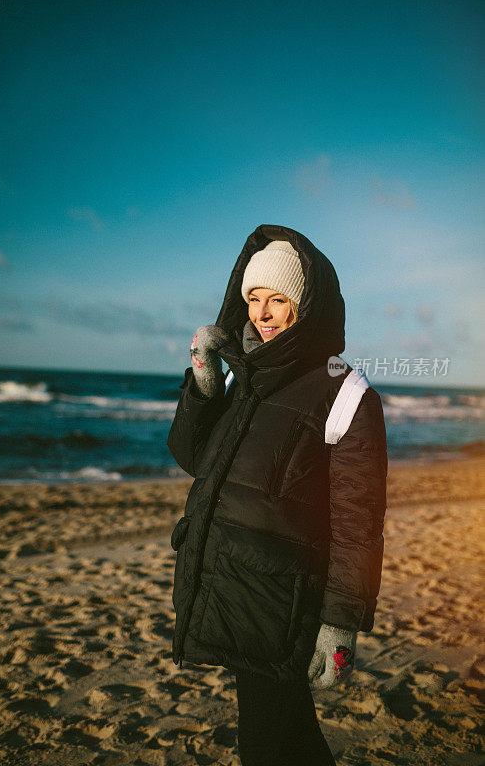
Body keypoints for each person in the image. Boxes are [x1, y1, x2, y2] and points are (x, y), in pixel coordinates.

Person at [167, 225, 388, 765]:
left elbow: (358, 523)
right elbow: (194, 459)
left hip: (282, 604)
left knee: (266, 744)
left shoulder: (346, 392)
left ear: (305, 305)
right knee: (288, 737)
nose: (262, 313)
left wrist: (339, 622)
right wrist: (204, 380)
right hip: (232, 584)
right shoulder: (249, 378)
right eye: (253, 298)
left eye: (278, 299)